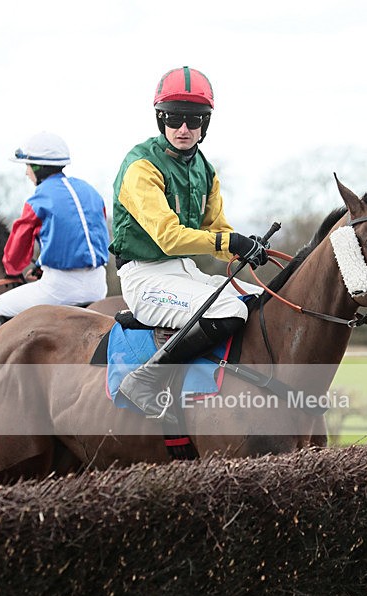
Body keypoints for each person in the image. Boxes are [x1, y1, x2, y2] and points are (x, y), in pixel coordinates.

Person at [110, 65, 268, 417]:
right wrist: (231, 241)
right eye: (174, 118)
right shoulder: (141, 167)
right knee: (230, 310)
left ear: (204, 124)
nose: (183, 128)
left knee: (261, 301)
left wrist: (247, 246)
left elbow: (217, 228)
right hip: (144, 278)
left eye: (193, 120)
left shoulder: (205, 169)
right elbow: (169, 238)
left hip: (184, 272)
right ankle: (144, 380)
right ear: (161, 119)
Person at [0, 131, 109, 331]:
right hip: (98, 285)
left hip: (61, 288)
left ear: (38, 167)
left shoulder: (39, 199)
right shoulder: (90, 191)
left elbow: (14, 260)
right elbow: (83, 237)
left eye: (27, 166)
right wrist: (41, 267)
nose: (26, 173)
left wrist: (14, 270)